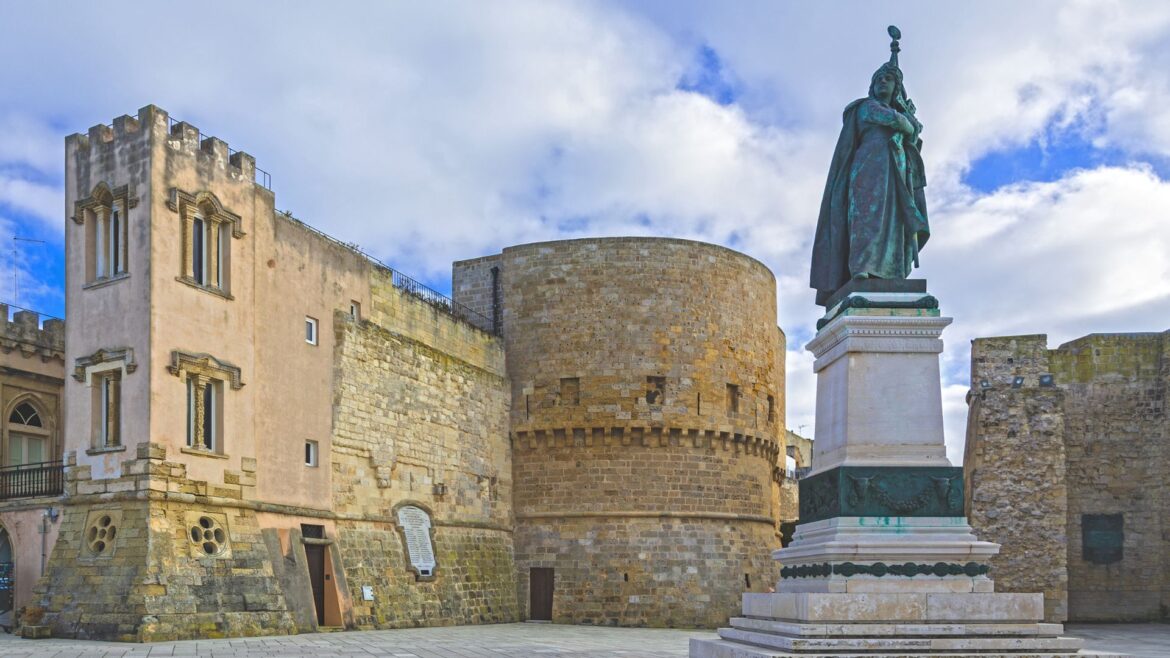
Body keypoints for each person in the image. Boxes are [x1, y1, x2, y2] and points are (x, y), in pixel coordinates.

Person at [809, 58, 929, 307]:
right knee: (865, 217)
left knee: (893, 222)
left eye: (888, 79)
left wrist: (909, 123)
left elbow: (913, 133)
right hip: (868, 167)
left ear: (896, 88)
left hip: (895, 169)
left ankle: (892, 270)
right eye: (879, 79)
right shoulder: (865, 107)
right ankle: (862, 266)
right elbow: (901, 123)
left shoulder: (893, 111)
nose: (882, 82)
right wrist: (906, 118)